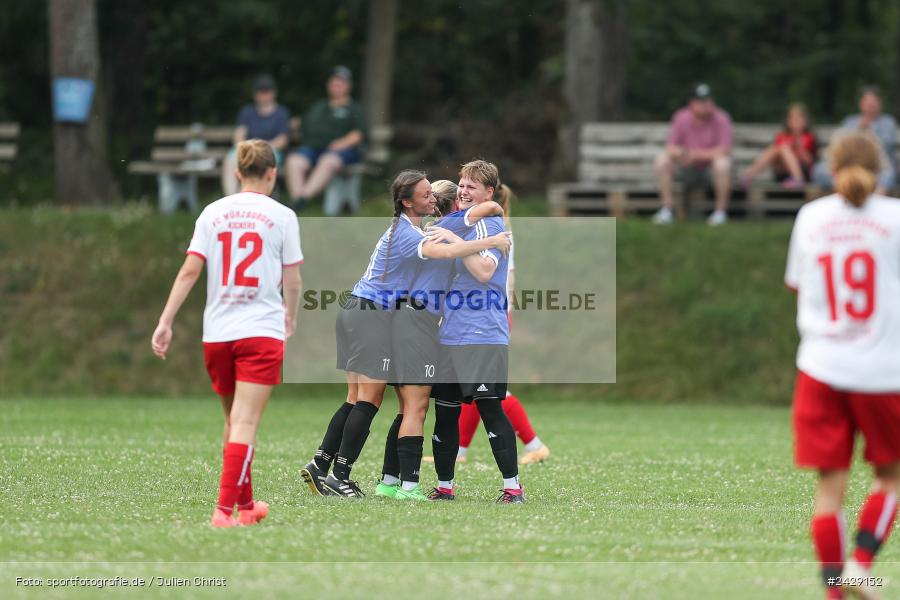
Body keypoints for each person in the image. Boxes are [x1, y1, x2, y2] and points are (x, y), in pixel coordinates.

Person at [298, 170, 511, 498]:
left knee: (362, 399)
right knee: (400, 404)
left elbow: (485, 211)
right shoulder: (433, 231)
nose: (431, 200)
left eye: (432, 195)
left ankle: (323, 464)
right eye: (426, 196)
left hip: (366, 311)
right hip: (385, 316)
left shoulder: (413, 228)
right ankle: (355, 479)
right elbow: (481, 218)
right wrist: (492, 239)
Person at [152, 139, 303, 527]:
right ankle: (222, 513)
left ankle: (247, 507)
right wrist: (289, 316)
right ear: (273, 173)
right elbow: (292, 279)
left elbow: (189, 271)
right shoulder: (283, 215)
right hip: (260, 331)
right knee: (245, 424)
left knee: (234, 421)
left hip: (217, 333)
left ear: (237, 173)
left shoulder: (213, 212)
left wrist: (165, 321)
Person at [785, 133, 900, 599]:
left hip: (820, 368)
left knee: (829, 490)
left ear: (830, 170)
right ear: (881, 169)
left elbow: (798, 284)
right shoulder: (895, 218)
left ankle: (835, 593)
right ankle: (861, 565)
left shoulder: (811, 217)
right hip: (882, 372)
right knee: (891, 477)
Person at [374, 180, 509, 501]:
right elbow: (490, 208)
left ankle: (390, 481)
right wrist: (494, 238)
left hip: (419, 321)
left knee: (410, 407)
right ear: (454, 206)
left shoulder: (435, 229)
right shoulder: (446, 227)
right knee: (415, 406)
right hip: (417, 320)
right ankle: (406, 486)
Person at [429, 159, 525, 503]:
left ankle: (513, 488)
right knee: (445, 412)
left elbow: (484, 271)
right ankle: (444, 486)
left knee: (490, 409)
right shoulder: (460, 221)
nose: (464, 191)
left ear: (488, 192)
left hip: (483, 333)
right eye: (461, 185)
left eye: (471, 186)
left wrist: (453, 239)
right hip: (450, 334)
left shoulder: (490, 225)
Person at [455, 185, 550, 465]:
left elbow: (504, 279)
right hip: (489, 314)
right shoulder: (490, 229)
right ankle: (459, 451)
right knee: (474, 386)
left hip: (491, 315)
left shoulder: (496, 232)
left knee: (487, 388)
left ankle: (535, 445)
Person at [285, 66, 367, 211]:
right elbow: (301, 122)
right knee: (293, 161)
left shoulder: (354, 108)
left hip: (342, 152)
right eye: (333, 83)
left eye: (340, 84)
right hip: (313, 149)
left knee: (327, 161)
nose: (336, 87)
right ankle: (297, 202)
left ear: (348, 86)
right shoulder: (319, 106)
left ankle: (302, 199)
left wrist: (341, 143)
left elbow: (358, 135)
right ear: (328, 85)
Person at [652, 83, 733, 226]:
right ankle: (667, 210)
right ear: (691, 103)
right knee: (661, 159)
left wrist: (694, 155)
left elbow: (724, 150)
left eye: (708, 100)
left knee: (722, 164)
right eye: (701, 101)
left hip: (710, 170)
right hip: (685, 168)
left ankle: (720, 212)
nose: (705, 104)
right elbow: (670, 147)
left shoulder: (722, 117)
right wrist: (682, 153)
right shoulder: (681, 117)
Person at [813, 86, 897, 195]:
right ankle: (845, 189)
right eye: (867, 101)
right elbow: (840, 143)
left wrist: (869, 129)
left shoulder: (888, 122)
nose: (870, 105)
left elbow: (886, 146)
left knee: (889, 175)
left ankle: (875, 198)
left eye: (873, 101)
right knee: (818, 170)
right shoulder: (850, 121)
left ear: (879, 103)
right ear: (861, 103)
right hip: (848, 167)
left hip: (875, 167)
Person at [221, 75, 291, 197]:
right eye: (260, 92)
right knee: (230, 160)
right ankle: (232, 198)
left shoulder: (281, 113)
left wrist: (261, 149)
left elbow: (282, 140)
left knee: (262, 163)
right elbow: (239, 134)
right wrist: (246, 148)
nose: (263, 95)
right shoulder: (247, 111)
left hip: (270, 150)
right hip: (247, 149)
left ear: (273, 93)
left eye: (266, 91)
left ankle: (258, 200)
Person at [742, 103, 818, 189]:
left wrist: (798, 147)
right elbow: (775, 156)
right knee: (775, 149)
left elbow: (810, 162)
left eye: (798, 118)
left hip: (804, 174)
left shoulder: (809, 137)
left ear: (805, 121)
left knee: (783, 148)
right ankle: (749, 176)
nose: (795, 121)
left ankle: (798, 179)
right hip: (782, 173)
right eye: (792, 117)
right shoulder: (782, 136)